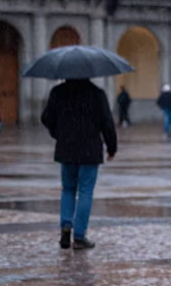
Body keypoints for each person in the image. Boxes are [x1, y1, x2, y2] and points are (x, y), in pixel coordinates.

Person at [42, 76, 117, 250]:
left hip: (66, 148)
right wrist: (111, 146)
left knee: (68, 189)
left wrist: (59, 133)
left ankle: (66, 225)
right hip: (90, 149)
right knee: (85, 191)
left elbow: (46, 117)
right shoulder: (97, 94)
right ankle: (79, 235)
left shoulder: (58, 92)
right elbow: (107, 122)